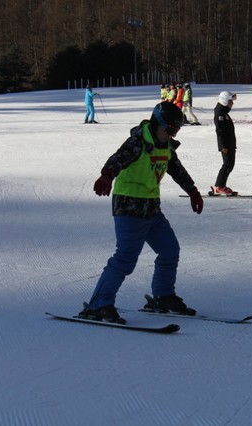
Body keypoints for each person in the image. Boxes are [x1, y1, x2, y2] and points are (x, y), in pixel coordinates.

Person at [78, 102, 204, 324]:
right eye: (170, 129)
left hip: (151, 209)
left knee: (169, 250)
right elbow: (117, 159)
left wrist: (192, 191)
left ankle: (163, 297)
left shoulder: (165, 146)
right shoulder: (137, 142)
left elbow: (177, 170)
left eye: (176, 130)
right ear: (158, 124)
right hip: (128, 207)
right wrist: (107, 176)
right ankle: (99, 304)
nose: (172, 134)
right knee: (125, 258)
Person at [213, 91, 238, 195]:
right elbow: (220, 131)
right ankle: (219, 186)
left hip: (229, 144)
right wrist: (223, 146)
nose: (232, 103)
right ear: (225, 101)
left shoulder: (223, 113)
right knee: (227, 164)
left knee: (230, 164)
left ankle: (221, 185)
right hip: (226, 145)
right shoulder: (220, 114)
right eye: (230, 101)